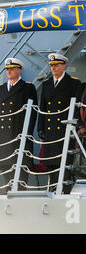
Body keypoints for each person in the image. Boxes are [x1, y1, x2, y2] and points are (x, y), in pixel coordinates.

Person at [37, 53, 81, 192]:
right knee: (51, 164)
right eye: (51, 66)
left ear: (64, 66)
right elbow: (43, 107)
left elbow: (75, 108)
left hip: (64, 130)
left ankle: (65, 192)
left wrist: (73, 125)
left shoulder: (73, 83)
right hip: (50, 131)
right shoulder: (46, 84)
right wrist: (40, 127)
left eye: (56, 65)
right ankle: (53, 189)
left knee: (65, 163)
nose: (53, 68)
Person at [0, 58, 37, 194]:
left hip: (19, 138)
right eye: (7, 69)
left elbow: (32, 115)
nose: (8, 71)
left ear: (19, 70)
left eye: (12, 68)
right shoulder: (1, 89)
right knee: (6, 172)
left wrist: (25, 135)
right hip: (4, 139)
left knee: (20, 175)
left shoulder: (27, 88)